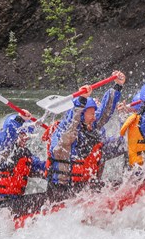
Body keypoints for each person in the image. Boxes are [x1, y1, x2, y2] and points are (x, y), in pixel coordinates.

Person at [47, 71, 126, 199]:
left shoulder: (91, 127)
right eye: (91, 113)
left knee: (125, 143)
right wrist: (81, 100)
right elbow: (71, 124)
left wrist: (117, 87)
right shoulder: (65, 134)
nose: (94, 117)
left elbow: (105, 112)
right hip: (63, 191)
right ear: (81, 115)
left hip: (85, 188)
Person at [0, 113, 47, 216]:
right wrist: (19, 119)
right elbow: (7, 136)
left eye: (27, 135)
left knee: (53, 196)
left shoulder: (24, 155)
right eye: (22, 133)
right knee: (47, 201)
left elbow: (46, 168)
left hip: (12, 204)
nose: (25, 138)